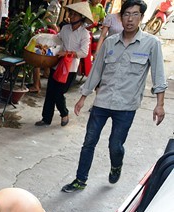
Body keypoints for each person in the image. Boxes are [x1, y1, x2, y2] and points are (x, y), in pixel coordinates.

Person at [61, 0, 167, 193]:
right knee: (89, 142)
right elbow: (96, 71)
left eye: (135, 14)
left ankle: (116, 165)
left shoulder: (151, 44)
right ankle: (80, 179)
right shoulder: (110, 42)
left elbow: (158, 75)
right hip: (102, 102)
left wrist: (159, 104)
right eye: (126, 14)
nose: (130, 19)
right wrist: (83, 96)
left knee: (115, 145)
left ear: (141, 18)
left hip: (126, 106)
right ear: (121, 17)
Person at [35, 2, 91, 128]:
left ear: (81, 17)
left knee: (58, 93)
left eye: (74, 14)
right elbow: (57, 39)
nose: (71, 16)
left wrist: (67, 53)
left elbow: (84, 53)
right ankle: (46, 118)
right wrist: (44, 37)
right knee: (50, 92)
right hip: (57, 64)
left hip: (70, 68)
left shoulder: (84, 34)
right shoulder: (65, 28)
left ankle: (64, 113)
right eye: (71, 13)